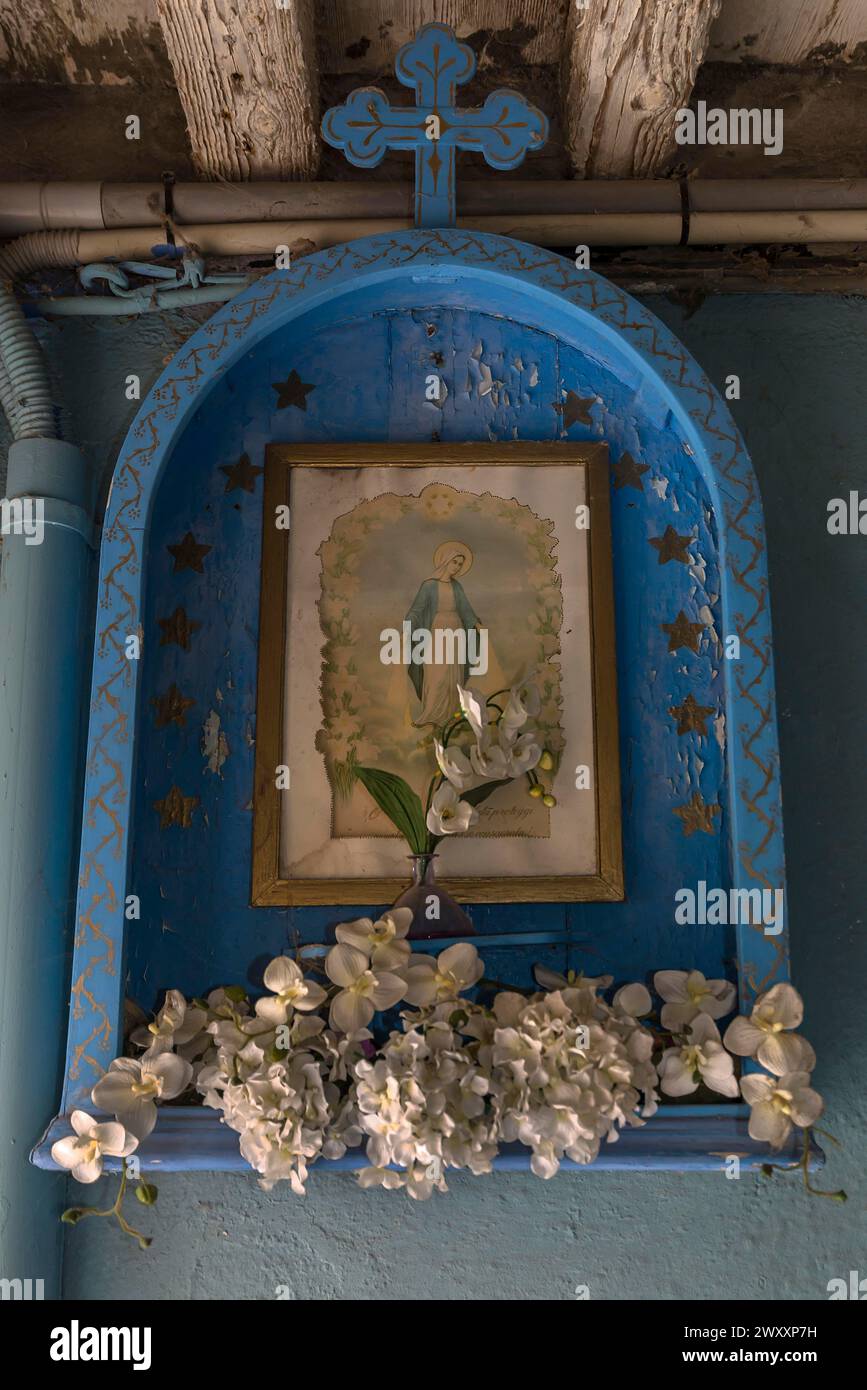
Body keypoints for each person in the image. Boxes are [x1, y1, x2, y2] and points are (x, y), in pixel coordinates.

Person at [404, 541, 481, 728]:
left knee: (453, 675)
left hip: (456, 631)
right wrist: (408, 627)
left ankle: (451, 716)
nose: (457, 567)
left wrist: (477, 624)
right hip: (437, 631)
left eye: (460, 564)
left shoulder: (457, 587)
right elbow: (416, 610)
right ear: (446, 561)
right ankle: (430, 715)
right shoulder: (429, 586)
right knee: (435, 673)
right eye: (455, 562)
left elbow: (466, 610)